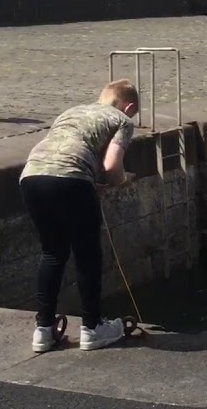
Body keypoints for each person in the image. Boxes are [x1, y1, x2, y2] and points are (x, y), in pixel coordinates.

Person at [18, 80, 140, 353]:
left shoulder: (70, 112)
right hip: (72, 179)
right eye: (132, 112)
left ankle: (44, 330)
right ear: (129, 106)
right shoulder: (121, 120)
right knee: (87, 255)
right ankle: (93, 327)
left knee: (52, 252)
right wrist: (122, 181)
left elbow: (73, 149)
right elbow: (111, 166)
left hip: (32, 176)